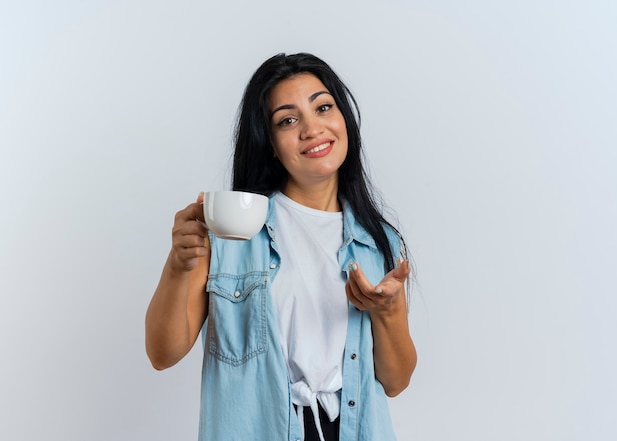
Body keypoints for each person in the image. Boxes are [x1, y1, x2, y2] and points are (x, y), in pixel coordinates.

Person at [145, 53, 417, 441]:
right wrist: (178, 265)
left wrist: (388, 311)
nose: (312, 128)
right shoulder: (230, 231)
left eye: (323, 107)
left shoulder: (377, 241)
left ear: (344, 120)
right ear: (270, 143)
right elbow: (162, 353)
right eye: (288, 120)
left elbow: (395, 380)